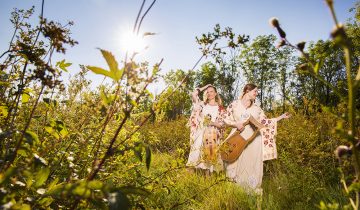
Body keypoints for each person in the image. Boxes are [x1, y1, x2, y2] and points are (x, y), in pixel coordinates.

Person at [223, 83, 290, 193]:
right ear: (247, 91)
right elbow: (225, 118)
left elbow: (264, 122)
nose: (257, 93)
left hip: (254, 140)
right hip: (238, 138)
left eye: (257, 92)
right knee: (233, 163)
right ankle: (234, 190)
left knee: (251, 164)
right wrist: (236, 124)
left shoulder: (257, 109)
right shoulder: (234, 105)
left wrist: (280, 117)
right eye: (255, 91)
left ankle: (251, 190)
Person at [186, 84, 226, 174]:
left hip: (213, 134)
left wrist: (212, 123)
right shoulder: (202, 105)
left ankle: (207, 181)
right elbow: (194, 94)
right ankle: (189, 180)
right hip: (200, 133)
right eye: (207, 92)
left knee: (209, 159)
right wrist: (207, 86)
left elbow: (222, 125)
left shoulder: (220, 108)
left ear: (216, 93)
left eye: (211, 91)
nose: (209, 93)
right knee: (194, 157)